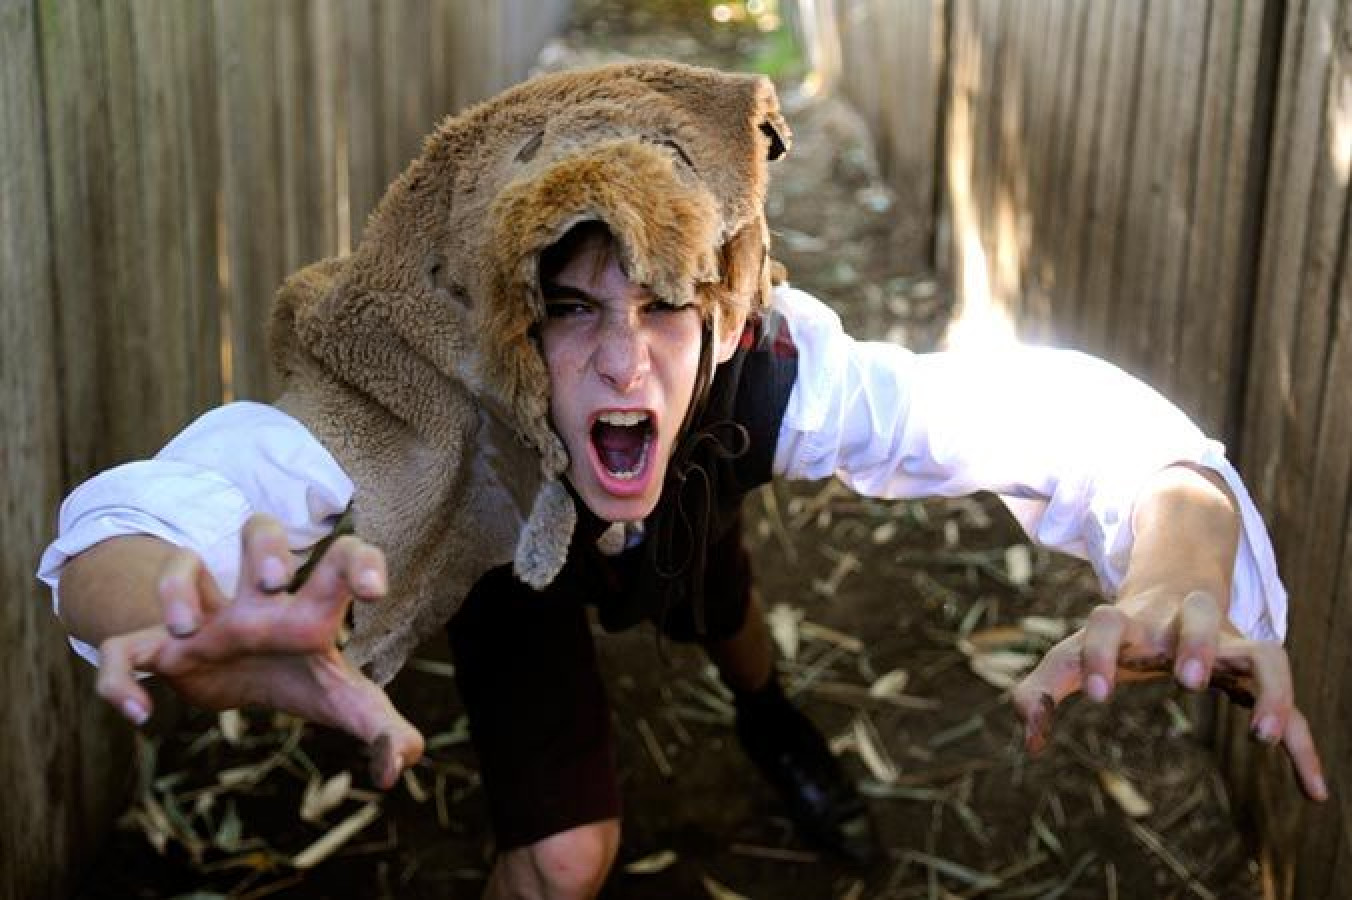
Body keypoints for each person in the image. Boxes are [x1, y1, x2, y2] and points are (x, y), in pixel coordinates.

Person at [40, 65, 1325, 900]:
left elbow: (1062, 420)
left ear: (720, 302)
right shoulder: (426, 395)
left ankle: (769, 719)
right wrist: (173, 603)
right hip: (511, 573)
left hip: (685, 518)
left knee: (719, 604)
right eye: (569, 306)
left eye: (661, 304)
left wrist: (1176, 565)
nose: (620, 358)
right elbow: (159, 507)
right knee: (564, 855)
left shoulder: (762, 359)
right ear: (505, 317)